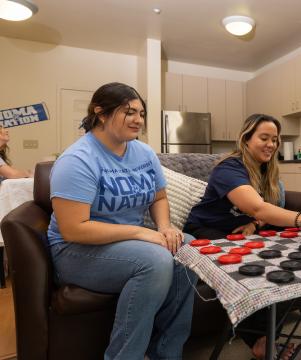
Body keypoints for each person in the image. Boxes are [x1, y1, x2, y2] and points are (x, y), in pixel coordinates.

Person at [47, 82, 198, 360]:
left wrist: (164, 227)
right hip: (76, 250)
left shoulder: (143, 153)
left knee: (187, 248)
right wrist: (140, 234)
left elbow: (159, 198)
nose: (138, 120)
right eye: (129, 112)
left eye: (141, 113)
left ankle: (167, 353)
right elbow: (73, 229)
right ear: (101, 113)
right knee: (155, 261)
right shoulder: (77, 160)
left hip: (125, 242)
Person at [185, 113, 301, 360]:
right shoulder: (229, 168)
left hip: (239, 231)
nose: (271, 144)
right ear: (246, 139)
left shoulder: (266, 170)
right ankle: (260, 340)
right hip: (208, 230)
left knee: (292, 263)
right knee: (252, 268)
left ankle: (264, 338)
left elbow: (263, 209)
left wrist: (253, 223)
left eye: (275, 140)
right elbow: (257, 206)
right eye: (264, 138)